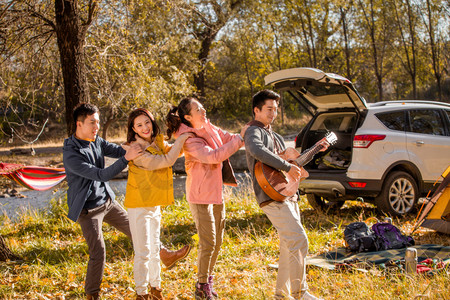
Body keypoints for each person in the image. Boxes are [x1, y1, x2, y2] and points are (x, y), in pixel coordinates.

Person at [63, 103, 190, 300]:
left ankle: (161, 262)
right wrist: (128, 157)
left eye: (97, 122)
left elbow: (118, 149)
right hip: (87, 209)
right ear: (79, 124)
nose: (96, 126)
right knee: (99, 252)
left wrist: (137, 146)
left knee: (141, 238)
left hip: (107, 202)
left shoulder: (96, 140)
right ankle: (92, 294)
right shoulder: (72, 154)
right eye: (92, 123)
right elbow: (101, 174)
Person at [244, 90, 328, 300]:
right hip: (270, 195)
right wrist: (286, 166)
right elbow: (257, 150)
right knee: (299, 239)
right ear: (257, 110)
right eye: (269, 109)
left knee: (288, 244)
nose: (274, 113)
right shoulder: (254, 131)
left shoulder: (277, 136)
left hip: (287, 194)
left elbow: (293, 165)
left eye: (276, 109)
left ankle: (281, 295)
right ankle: (300, 293)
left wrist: (317, 150)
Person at [166, 97, 247, 300]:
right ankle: (201, 286)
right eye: (198, 110)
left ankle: (208, 281)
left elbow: (227, 137)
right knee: (208, 242)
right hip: (200, 195)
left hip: (216, 191)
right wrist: (239, 140)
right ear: (187, 117)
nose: (203, 111)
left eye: (202, 107)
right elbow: (213, 156)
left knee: (218, 241)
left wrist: (245, 134)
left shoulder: (207, 126)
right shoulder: (188, 138)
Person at [123, 108, 193, 300]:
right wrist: (182, 138)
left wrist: (184, 137)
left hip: (153, 205)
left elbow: (173, 152)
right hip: (138, 206)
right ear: (133, 129)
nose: (145, 127)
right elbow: (166, 161)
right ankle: (141, 293)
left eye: (147, 122)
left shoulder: (155, 143)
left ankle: (156, 289)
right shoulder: (135, 149)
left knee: (154, 250)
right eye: (139, 125)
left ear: (152, 122)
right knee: (143, 253)